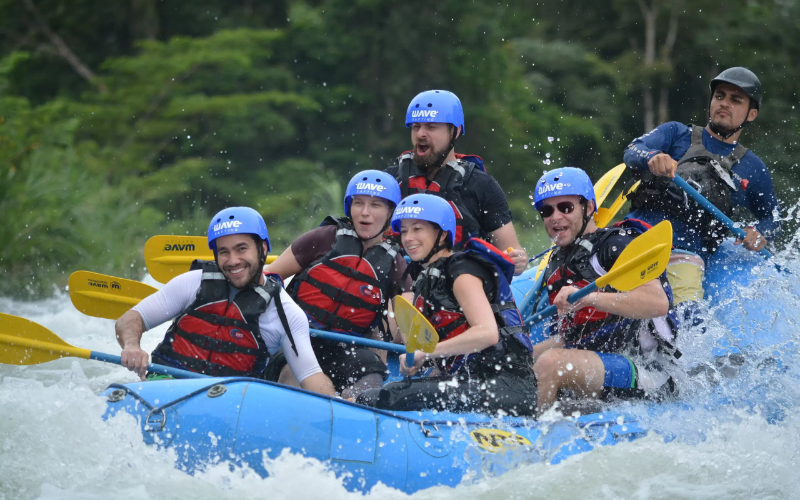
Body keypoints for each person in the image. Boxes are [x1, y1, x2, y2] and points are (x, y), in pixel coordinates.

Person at [115, 207, 336, 396]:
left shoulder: (286, 313)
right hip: (165, 383)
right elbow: (131, 318)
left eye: (241, 249)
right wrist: (132, 346)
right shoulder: (193, 283)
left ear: (263, 248)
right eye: (224, 252)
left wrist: (336, 404)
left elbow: (310, 376)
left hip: (225, 399)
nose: (233, 261)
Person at [359, 193, 537, 416]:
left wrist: (427, 352)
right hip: (471, 382)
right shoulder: (426, 279)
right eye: (404, 231)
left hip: (507, 386)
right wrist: (416, 362)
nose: (408, 238)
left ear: (442, 234)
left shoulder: (462, 270)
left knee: (385, 395)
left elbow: (488, 333)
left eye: (417, 229)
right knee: (377, 395)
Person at [624, 67, 781, 304]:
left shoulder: (753, 169)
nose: (724, 103)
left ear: (751, 114)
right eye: (719, 96)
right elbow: (632, 150)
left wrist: (759, 232)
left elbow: (773, 219)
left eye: (735, 100)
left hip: (685, 254)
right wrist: (652, 157)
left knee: (688, 316)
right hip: (635, 237)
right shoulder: (676, 133)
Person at [530, 168, 680, 415]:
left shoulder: (615, 245)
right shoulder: (558, 264)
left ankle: (528, 438)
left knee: (550, 363)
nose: (555, 217)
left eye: (565, 207)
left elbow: (657, 303)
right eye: (547, 210)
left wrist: (590, 298)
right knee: (519, 362)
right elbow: (571, 338)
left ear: (588, 208)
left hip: (649, 372)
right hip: (599, 365)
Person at [264, 170, 412, 398]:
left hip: (349, 347)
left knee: (371, 383)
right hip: (299, 338)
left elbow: (410, 322)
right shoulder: (323, 238)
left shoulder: (395, 263)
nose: (365, 213)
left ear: (391, 212)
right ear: (349, 207)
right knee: (292, 377)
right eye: (359, 203)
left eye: (376, 205)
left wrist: (412, 349)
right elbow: (268, 276)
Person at [384, 90, 529, 275]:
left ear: (455, 131)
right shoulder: (391, 181)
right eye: (416, 126)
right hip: (400, 289)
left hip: (457, 291)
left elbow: (511, 251)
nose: (421, 134)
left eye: (431, 126)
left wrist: (518, 261)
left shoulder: (482, 185)